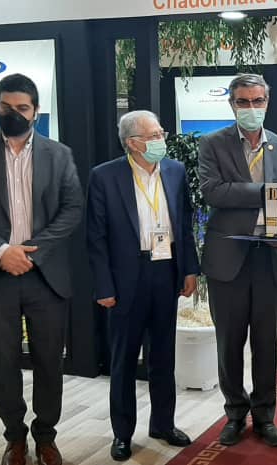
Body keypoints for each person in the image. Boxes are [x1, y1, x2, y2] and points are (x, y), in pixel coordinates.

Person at [0, 73, 83, 465]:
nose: (14, 113)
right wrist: (1, 250)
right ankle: (15, 437)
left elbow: (72, 209)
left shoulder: (59, 154)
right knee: (2, 362)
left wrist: (31, 253)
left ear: (36, 111)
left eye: (22, 108)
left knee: (49, 361)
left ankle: (46, 436)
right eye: (6, 107)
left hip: (45, 275)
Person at [86, 110, 200, 461]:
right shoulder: (105, 176)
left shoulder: (174, 170)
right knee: (123, 359)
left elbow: (185, 224)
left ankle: (163, 424)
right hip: (125, 277)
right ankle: (122, 434)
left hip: (166, 270)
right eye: (153, 135)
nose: (161, 140)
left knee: (163, 355)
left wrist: (190, 269)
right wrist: (103, 286)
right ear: (132, 143)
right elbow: (95, 237)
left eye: (160, 133)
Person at [197, 73, 277, 447]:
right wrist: (266, 192)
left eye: (258, 101)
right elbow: (213, 192)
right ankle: (235, 414)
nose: (251, 108)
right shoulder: (212, 144)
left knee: (266, 342)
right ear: (232, 104)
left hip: (270, 257)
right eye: (243, 101)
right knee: (229, 342)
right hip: (228, 259)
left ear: (267, 103)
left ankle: (265, 415)